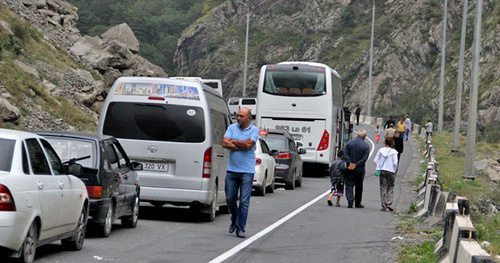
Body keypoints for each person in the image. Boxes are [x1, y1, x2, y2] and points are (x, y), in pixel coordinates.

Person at [222, 108, 259, 238]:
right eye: (237, 116)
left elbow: (249, 145)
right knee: (230, 198)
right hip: (232, 170)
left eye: (241, 116)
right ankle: (234, 218)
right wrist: (240, 144)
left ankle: (240, 227)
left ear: (248, 118)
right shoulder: (232, 127)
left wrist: (234, 141)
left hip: (247, 172)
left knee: (244, 201)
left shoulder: (254, 130)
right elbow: (224, 143)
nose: (238, 118)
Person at [344, 129, 370, 208]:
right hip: (359, 168)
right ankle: (357, 203)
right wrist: (356, 164)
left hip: (349, 167)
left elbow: (346, 154)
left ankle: (350, 201)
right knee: (359, 186)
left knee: (349, 184)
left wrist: (350, 163)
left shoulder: (349, 143)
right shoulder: (366, 146)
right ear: (364, 136)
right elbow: (364, 158)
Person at [374, 138, 398, 212]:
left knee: (383, 187)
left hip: (382, 170)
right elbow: (395, 163)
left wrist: (378, 167)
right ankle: (389, 202)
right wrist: (394, 169)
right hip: (391, 171)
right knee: (390, 186)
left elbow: (375, 160)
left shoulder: (381, 150)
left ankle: (383, 205)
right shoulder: (394, 152)